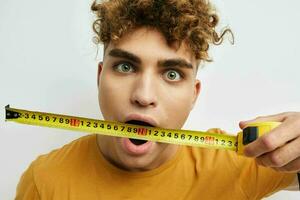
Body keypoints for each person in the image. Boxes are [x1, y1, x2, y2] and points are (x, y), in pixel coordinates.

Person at [15, 0, 299, 199]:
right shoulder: (44, 181)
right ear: (100, 77)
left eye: (172, 74)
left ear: (193, 95)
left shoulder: (235, 165)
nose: (143, 95)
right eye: (125, 67)